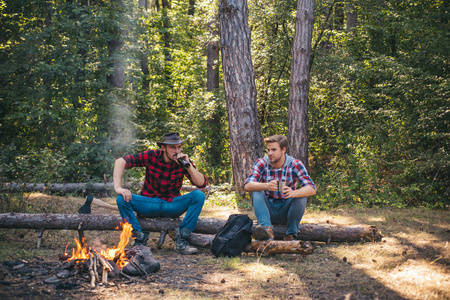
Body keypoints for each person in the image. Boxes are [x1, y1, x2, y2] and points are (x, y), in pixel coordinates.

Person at [114, 132, 207, 255]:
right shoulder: (151, 156)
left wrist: (188, 165)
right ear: (163, 148)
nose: (177, 151)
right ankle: (139, 240)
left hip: (172, 204)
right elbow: (121, 161)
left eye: (179, 147)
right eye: (173, 147)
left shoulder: (183, 162)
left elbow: (202, 184)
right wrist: (118, 187)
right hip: (149, 204)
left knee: (199, 195)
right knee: (121, 199)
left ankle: (181, 240)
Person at [244, 135, 316, 241]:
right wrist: (266, 186)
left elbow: (312, 188)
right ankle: (266, 230)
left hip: (286, 211)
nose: (270, 153)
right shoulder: (261, 163)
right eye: (268, 150)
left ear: (283, 150)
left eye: (273, 150)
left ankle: (291, 234)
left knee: (301, 195)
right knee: (256, 192)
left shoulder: (295, 164)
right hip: (268, 211)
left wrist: (293, 193)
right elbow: (247, 186)